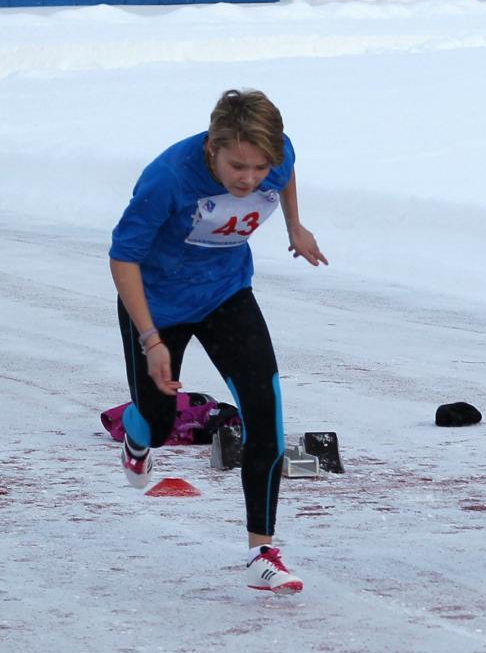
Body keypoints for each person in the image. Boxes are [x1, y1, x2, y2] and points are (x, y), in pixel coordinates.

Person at [109, 89, 328, 592]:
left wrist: (295, 226)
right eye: (238, 167)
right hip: (157, 303)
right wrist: (150, 339)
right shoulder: (168, 179)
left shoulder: (275, 155)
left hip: (225, 293)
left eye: (259, 168)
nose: (251, 179)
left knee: (266, 416)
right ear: (212, 147)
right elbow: (122, 258)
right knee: (160, 422)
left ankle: (261, 551)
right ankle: (138, 438)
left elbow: (286, 167)